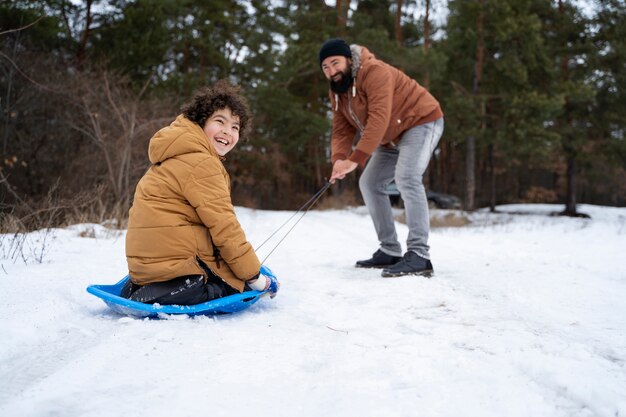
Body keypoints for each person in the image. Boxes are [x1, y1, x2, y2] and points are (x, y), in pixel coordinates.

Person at [123, 80, 278, 305]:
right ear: (200, 122)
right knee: (238, 287)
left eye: (235, 127)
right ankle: (179, 291)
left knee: (231, 272)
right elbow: (225, 227)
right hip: (177, 269)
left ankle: (152, 286)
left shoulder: (176, 153)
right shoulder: (201, 163)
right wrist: (254, 278)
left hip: (146, 268)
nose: (228, 131)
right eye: (219, 121)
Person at [319, 38, 444, 278]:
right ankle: (390, 250)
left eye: (335, 63)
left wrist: (356, 158)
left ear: (348, 59)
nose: (332, 71)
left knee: (407, 177)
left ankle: (419, 255)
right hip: (390, 137)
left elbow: (379, 117)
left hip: (421, 121)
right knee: (369, 183)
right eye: (326, 68)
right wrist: (339, 158)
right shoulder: (337, 92)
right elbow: (341, 129)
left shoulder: (374, 71)